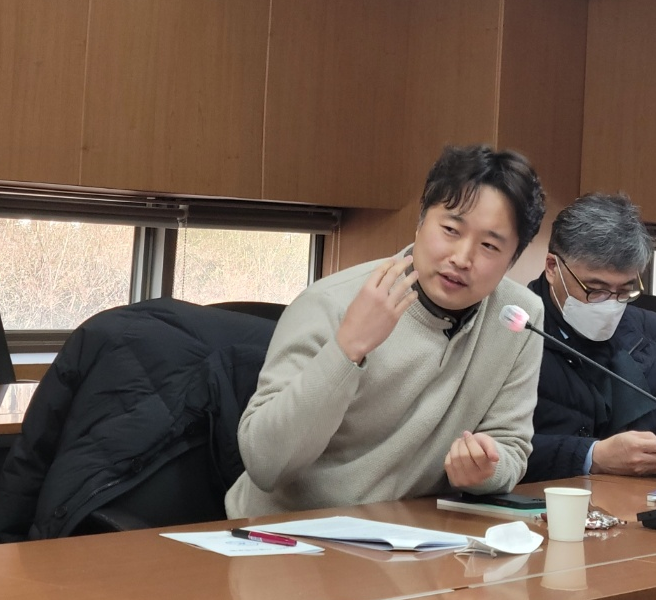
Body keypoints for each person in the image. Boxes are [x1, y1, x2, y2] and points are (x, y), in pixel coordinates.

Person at [226, 144, 547, 518]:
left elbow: (510, 447)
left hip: (413, 536)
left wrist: (485, 470)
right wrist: (347, 348)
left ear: (513, 258)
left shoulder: (518, 317)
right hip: (288, 533)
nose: (462, 258)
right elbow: (265, 464)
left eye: (489, 245)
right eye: (450, 230)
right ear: (420, 221)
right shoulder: (331, 302)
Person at [523, 193, 656, 481]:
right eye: (595, 289)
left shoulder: (651, 332)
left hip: (637, 499)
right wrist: (592, 456)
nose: (610, 303)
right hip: (542, 500)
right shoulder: (513, 327)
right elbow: (489, 448)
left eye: (625, 290)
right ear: (553, 268)